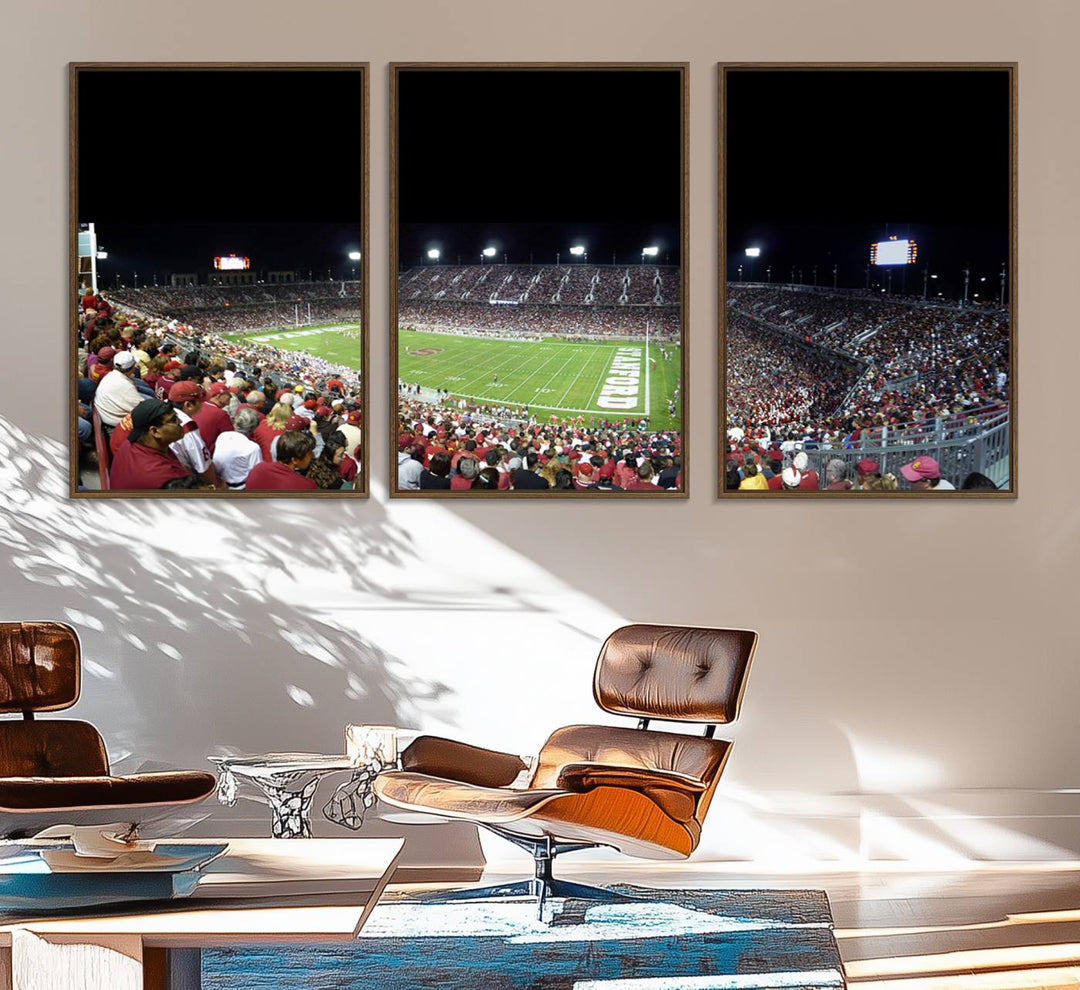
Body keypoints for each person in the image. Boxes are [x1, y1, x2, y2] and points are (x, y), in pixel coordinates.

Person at [109, 399, 195, 490]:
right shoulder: (166, 477)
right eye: (174, 420)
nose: (180, 421)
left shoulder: (129, 443)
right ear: (155, 431)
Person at [245, 429, 318, 490]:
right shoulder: (306, 486)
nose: (312, 456)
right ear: (294, 460)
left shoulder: (258, 468)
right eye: (309, 453)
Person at [212, 408, 263, 490]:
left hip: (219, 484)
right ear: (254, 428)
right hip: (239, 488)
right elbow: (257, 475)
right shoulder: (252, 447)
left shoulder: (223, 436)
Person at [93, 351, 143, 427]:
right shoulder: (125, 386)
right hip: (115, 422)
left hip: (107, 415)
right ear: (132, 368)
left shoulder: (110, 375)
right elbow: (143, 407)